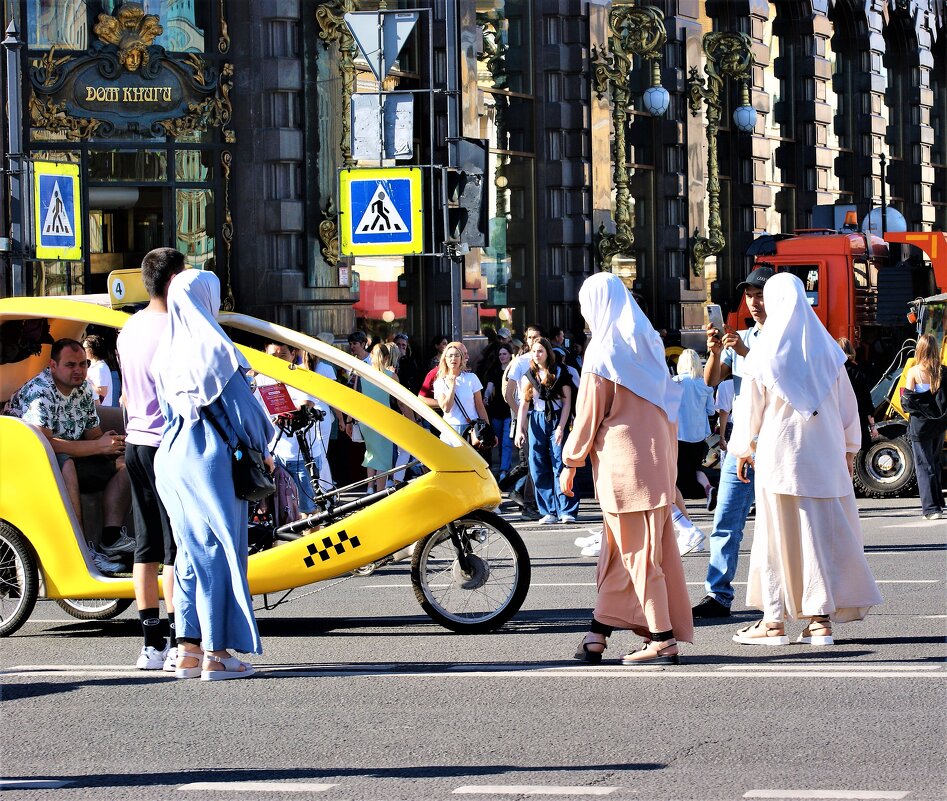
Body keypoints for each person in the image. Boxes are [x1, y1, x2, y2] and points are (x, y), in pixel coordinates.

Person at [727, 272, 882, 645]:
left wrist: (743, 449)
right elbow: (850, 409)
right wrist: (848, 450)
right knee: (818, 537)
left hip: (779, 456)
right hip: (824, 457)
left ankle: (774, 620)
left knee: (774, 536)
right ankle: (819, 620)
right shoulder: (829, 350)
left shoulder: (764, 351)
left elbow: (751, 411)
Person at [560, 271, 692, 665]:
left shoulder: (601, 355)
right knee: (622, 554)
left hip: (622, 470)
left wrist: (570, 461)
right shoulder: (648, 347)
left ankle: (663, 638)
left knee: (636, 555)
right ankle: (597, 633)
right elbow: (670, 410)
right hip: (656, 466)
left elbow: (587, 416)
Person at [152, 270, 275, 681]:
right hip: (209, 457)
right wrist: (264, 448)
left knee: (189, 552)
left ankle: (187, 650)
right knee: (221, 550)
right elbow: (249, 417)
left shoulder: (165, 350)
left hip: (170, 455)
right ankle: (217, 654)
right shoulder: (217, 348)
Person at [6, 338, 133, 573]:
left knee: (127, 462)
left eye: (83, 364)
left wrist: (109, 443)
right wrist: (98, 447)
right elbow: (42, 443)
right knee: (66, 464)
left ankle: (111, 538)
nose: (78, 370)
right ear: (53, 366)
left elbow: (93, 434)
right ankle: (80, 551)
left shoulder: (83, 388)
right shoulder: (41, 392)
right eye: (70, 365)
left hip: (71, 456)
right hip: (30, 462)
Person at [116, 246, 185, 670]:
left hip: (136, 441)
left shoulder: (128, 329)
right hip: (168, 443)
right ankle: (180, 640)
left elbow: (125, 393)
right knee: (175, 547)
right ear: (174, 280)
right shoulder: (177, 328)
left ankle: (150, 643)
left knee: (146, 545)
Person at [693, 265, 774, 619]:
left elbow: (778, 378)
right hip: (741, 438)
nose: (754, 303)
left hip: (776, 438)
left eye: (761, 295)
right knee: (725, 518)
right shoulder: (740, 337)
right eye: (750, 296)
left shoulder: (785, 335)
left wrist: (743, 353)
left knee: (781, 524)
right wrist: (713, 351)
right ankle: (718, 595)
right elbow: (710, 381)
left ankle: (786, 598)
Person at [255, 341, 322, 515]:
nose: (277, 361)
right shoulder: (260, 379)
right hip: (273, 454)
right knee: (273, 512)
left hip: (302, 455)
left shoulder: (303, 376)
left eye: (282, 355)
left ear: (293, 354)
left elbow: (307, 401)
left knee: (308, 510)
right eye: (272, 356)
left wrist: (292, 412)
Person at [514, 337, 575, 524]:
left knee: (561, 462)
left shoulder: (560, 372)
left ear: (548, 352)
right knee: (538, 465)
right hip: (537, 419)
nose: (537, 354)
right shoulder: (529, 375)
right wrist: (519, 430)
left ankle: (566, 509)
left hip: (556, 417)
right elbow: (524, 404)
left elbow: (567, 402)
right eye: (534, 351)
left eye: (540, 351)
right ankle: (548, 510)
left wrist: (561, 427)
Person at [901, 333, 947, 520]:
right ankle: (939, 504)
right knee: (935, 462)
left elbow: (906, 401)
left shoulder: (914, 371)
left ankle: (930, 508)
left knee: (923, 464)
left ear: (919, 349)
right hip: (939, 424)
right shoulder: (943, 371)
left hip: (920, 426)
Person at [673, 349, 716, 507]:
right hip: (699, 435)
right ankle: (708, 487)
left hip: (679, 434)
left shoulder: (675, 382)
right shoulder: (704, 384)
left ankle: (677, 504)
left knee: (676, 469)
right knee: (696, 468)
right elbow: (711, 410)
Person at [433, 342, 489, 442]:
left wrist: (488, 429)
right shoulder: (440, 382)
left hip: (471, 428)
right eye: (450, 356)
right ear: (445, 359)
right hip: (450, 429)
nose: (453, 358)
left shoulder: (471, 378)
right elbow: (446, 408)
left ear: (461, 359)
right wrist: (452, 387)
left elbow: (480, 406)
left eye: (457, 355)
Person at [838, 337, 877, 452]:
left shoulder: (831, 372)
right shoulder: (858, 371)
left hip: (837, 419)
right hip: (855, 420)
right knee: (853, 453)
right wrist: (872, 425)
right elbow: (866, 400)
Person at [483, 343, 515, 481]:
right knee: (499, 441)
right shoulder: (494, 370)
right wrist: (486, 396)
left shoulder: (514, 370)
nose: (502, 356)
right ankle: (504, 466)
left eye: (505, 354)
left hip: (509, 410)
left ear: (510, 355)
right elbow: (490, 387)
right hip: (496, 410)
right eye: (500, 354)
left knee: (507, 442)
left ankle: (503, 470)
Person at [83, 334, 114, 406]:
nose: (83, 350)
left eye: (85, 348)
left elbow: (102, 392)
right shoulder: (95, 366)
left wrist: (86, 381)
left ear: (92, 349)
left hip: (102, 411)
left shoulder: (100, 368)